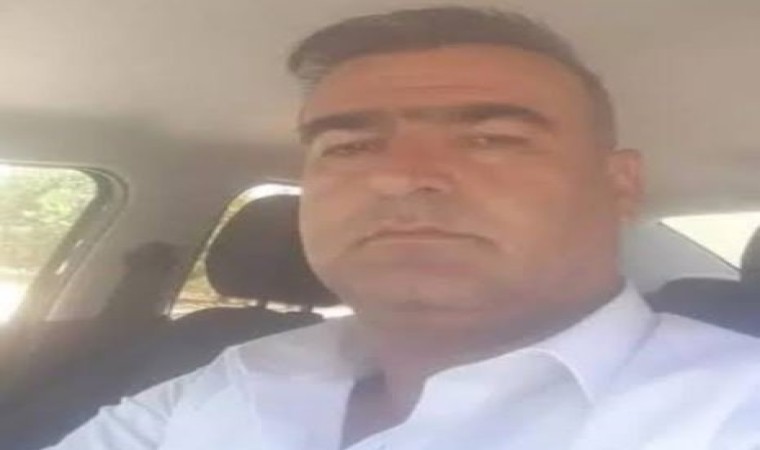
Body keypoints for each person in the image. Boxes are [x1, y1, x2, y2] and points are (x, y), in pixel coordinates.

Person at [48, 6, 760, 450]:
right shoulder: (230, 378)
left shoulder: (731, 408)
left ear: (619, 184)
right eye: (350, 146)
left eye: (491, 139)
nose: (398, 176)